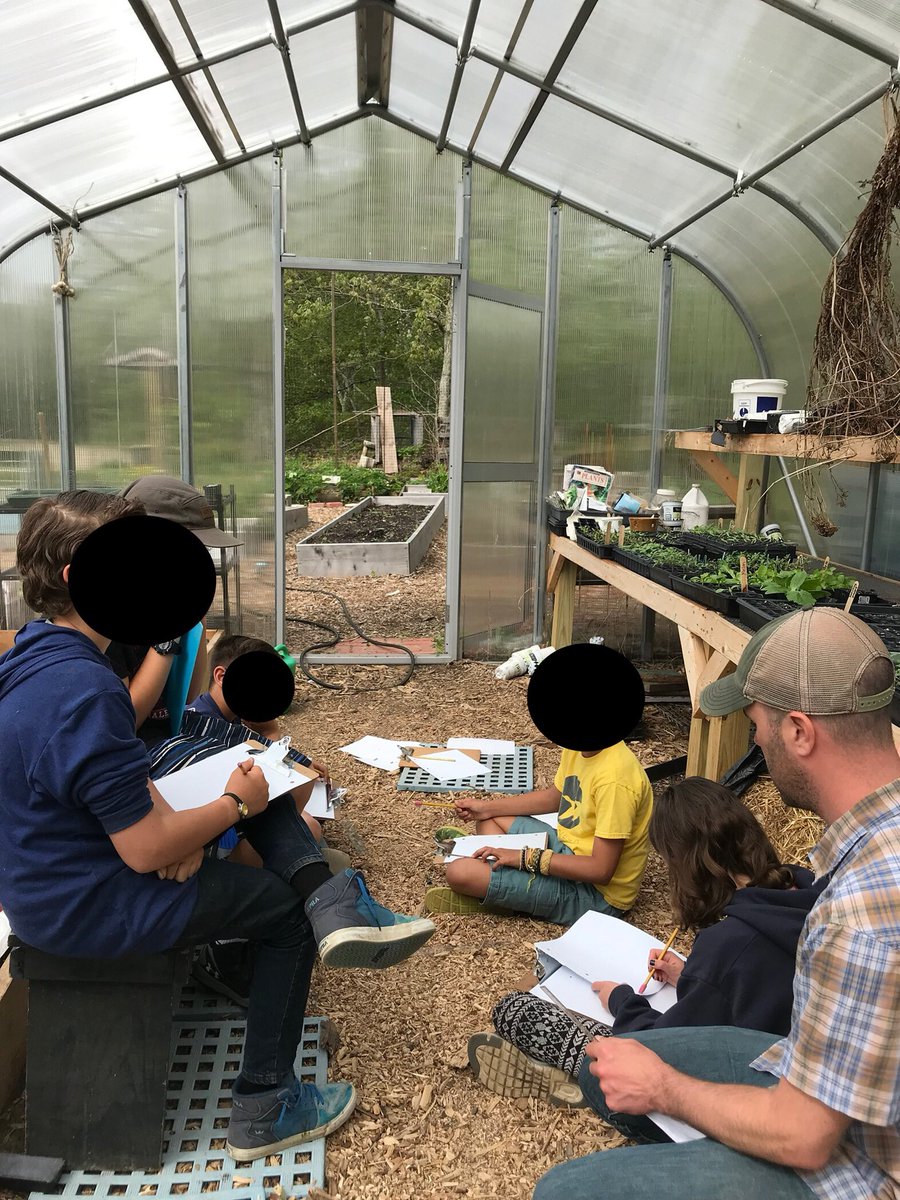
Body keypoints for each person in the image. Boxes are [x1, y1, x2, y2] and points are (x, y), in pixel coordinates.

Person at [0, 491, 435, 1163]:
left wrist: (191, 829)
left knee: (255, 773)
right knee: (282, 909)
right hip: (86, 905)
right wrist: (227, 810)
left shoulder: (38, 656)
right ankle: (266, 1103)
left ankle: (336, 903)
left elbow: (107, 782)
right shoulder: (85, 689)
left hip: (60, 879)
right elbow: (144, 846)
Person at [534, 607, 900, 1200]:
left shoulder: (858, 914)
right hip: (842, 1088)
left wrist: (667, 1089)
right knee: (616, 1073)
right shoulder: (868, 846)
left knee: (564, 1190)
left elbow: (806, 1137)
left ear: (800, 731)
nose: (755, 741)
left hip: (866, 1165)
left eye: (756, 723)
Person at [468, 777, 820, 1106]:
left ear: (688, 864)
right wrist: (689, 977)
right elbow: (749, 989)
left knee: (515, 1010)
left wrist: (622, 1001)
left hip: (748, 1091)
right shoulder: (804, 886)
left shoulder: (728, 944)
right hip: (799, 1063)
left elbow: (666, 1048)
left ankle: (584, 1079)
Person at [424, 728, 653, 924]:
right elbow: (555, 797)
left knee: (459, 873)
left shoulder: (615, 781)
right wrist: (487, 807)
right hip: (567, 850)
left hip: (595, 895)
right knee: (489, 820)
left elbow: (600, 870)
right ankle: (501, 882)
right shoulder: (582, 747)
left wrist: (523, 858)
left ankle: (501, 893)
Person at [106, 474, 242, 748]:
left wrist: (197, 621)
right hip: (131, 755)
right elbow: (127, 721)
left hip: (168, 740)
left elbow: (187, 697)